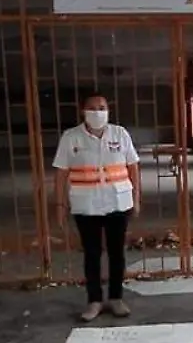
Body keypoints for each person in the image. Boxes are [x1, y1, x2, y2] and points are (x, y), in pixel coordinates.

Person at [53, 94, 142, 322]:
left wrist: (136, 197)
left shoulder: (120, 134)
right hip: (86, 204)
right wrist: (60, 205)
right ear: (83, 111)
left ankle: (116, 298)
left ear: (108, 110)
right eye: (92, 108)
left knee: (116, 252)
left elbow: (133, 167)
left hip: (117, 202)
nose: (97, 112)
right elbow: (61, 173)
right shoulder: (71, 137)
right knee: (91, 254)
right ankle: (94, 301)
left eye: (102, 107)